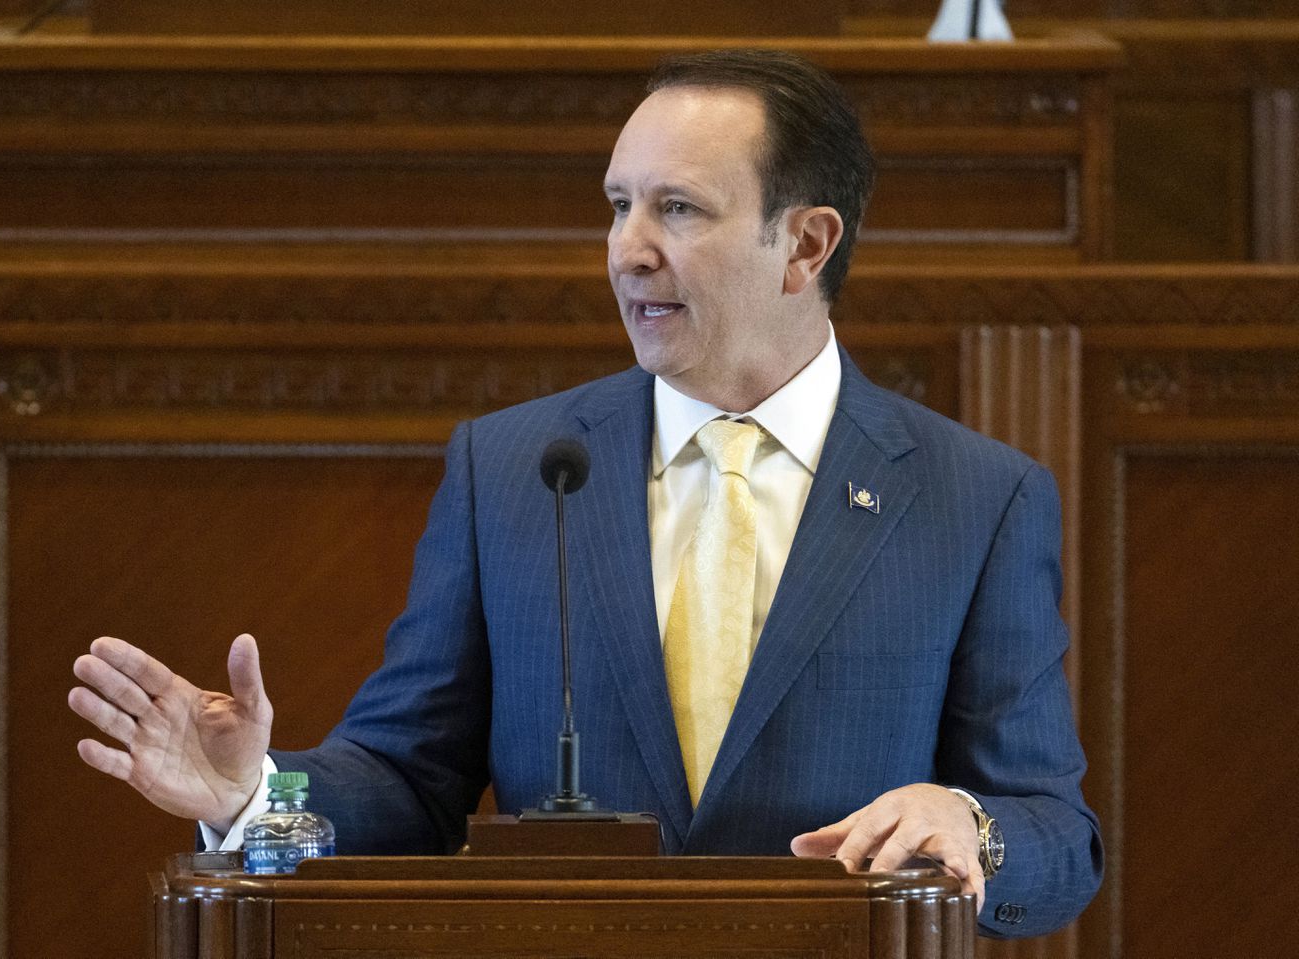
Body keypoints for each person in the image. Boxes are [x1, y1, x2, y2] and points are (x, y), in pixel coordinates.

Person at [69, 49, 1102, 939]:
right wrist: (255, 792)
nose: (627, 248)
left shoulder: (978, 497)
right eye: (619, 204)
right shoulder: (512, 467)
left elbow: (1059, 835)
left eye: (678, 208)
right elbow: (405, 778)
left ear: (805, 244)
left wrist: (974, 823)